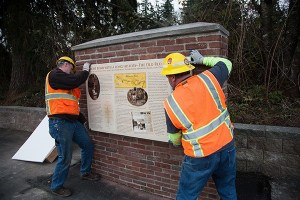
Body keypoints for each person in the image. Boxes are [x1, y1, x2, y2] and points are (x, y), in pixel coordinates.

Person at [161, 50, 236, 200]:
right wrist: (202, 60)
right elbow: (227, 63)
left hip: (199, 156)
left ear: (173, 77)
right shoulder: (209, 78)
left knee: (187, 196)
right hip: (227, 146)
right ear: (189, 69)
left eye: (168, 76)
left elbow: (175, 139)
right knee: (227, 190)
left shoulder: (170, 103)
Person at [45, 56, 99, 197]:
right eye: (72, 68)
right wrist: (86, 71)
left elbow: (71, 106)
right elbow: (75, 80)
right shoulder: (55, 75)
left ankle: (85, 172)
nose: (72, 72)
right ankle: (56, 186)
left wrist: (83, 120)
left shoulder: (68, 84)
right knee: (65, 157)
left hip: (73, 122)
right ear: (66, 64)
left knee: (87, 145)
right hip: (59, 123)